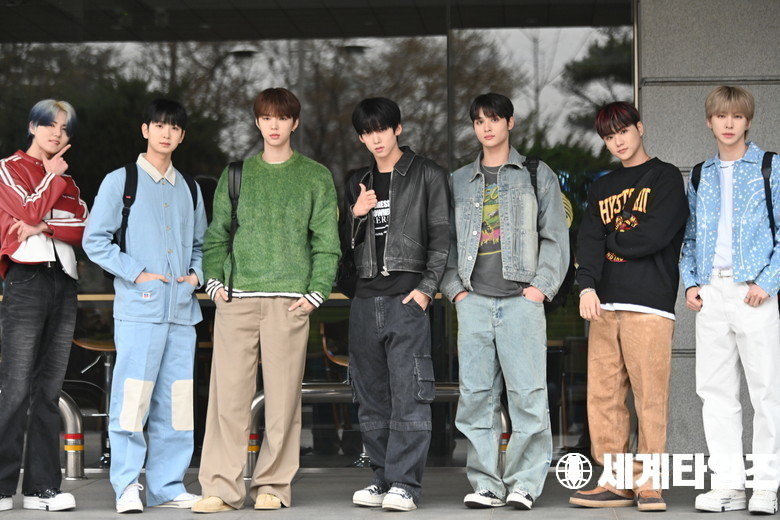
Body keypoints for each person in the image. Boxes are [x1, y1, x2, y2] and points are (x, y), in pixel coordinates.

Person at [193, 87, 340, 513]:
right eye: (266, 118)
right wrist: (215, 285)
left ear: (295, 123)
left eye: (282, 118)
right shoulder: (236, 174)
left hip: (289, 304)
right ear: (257, 122)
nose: (274, 126)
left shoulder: (314, 176)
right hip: (237, 300)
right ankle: (221, 488)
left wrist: (315, 293)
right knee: (227, 399)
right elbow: (216, 237)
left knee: (283, 401)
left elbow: (326, 243)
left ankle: (273, 485)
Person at [441, 92, 568, 510]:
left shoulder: (535, 174)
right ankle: (486, 484)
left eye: (494, 119)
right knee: (476, 396)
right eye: (479, 121)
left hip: (520, 301)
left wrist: (540, 289)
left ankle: (524, 483)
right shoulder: (459, 180)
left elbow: (555, 235)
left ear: (509, 123)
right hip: (474, 301)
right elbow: (443, 241)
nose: (487, 127)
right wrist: (456, 291)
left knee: (528, 395)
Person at [82, 99, 206, 513]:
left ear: (182, 136)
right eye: (159, 125)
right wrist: (136, 273)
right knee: (132, 399)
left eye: (174, 128)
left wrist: (196, 276)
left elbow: (201, 246)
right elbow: (95, 240)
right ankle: (126, 485)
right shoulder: (121, 181)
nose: (166, 133)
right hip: (139, 312)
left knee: (177, 402)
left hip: (181, 314)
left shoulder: (190, 188)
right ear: (145, 130)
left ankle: (167, 486)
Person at [568, 102, 688, 512]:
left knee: (649, 398)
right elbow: (587, 240)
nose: (617, 141)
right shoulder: (602, 187)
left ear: (640, 127)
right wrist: (587, 286)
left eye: (623, 131)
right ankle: (617, 481)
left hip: (649, 305)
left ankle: (650, 483)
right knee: (603, 397)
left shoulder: (665, 177)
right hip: (603, 305)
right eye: (608, 136)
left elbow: (653, 236)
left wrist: (609, 240)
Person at [345, 97, 450, 512]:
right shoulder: (358, 180)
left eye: (382, 129)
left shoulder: (427, 173)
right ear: (360, 138)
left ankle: (406, 484)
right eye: (367, 132)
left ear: (398, 129)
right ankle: (382, 478)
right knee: (371, 395)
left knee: (409, 392)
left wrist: (425, 290)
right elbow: (342, 247)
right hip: (364, 299)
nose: (376, 138)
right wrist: (355, 214)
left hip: (406, 298)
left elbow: (441, 239)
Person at [681, 86, 780, 515]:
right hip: (712, 293)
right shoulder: (699, 174)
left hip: (753, 291)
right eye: (721, 116)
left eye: (737, 116)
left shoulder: (770, 167)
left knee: (766, 392)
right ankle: (729, 486)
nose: (728, 123)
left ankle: (766, 486)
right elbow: (689, 237)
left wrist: (768, 282)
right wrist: (691, 284)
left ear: (747, 121)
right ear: (709, 121)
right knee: (716, 392)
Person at [0, 99, 87, 512]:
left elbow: (84, 227)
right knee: (15, 387)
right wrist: (50, 179)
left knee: (49, 390)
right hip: (26, 278)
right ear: (32, 127)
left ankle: (41, 488)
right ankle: (1, 487)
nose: (57, 133)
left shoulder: (70, 181)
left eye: (64, 128)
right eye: (49, 124)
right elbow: (24, 209)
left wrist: (44, 225)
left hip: (64, 281)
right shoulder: (8, 169)